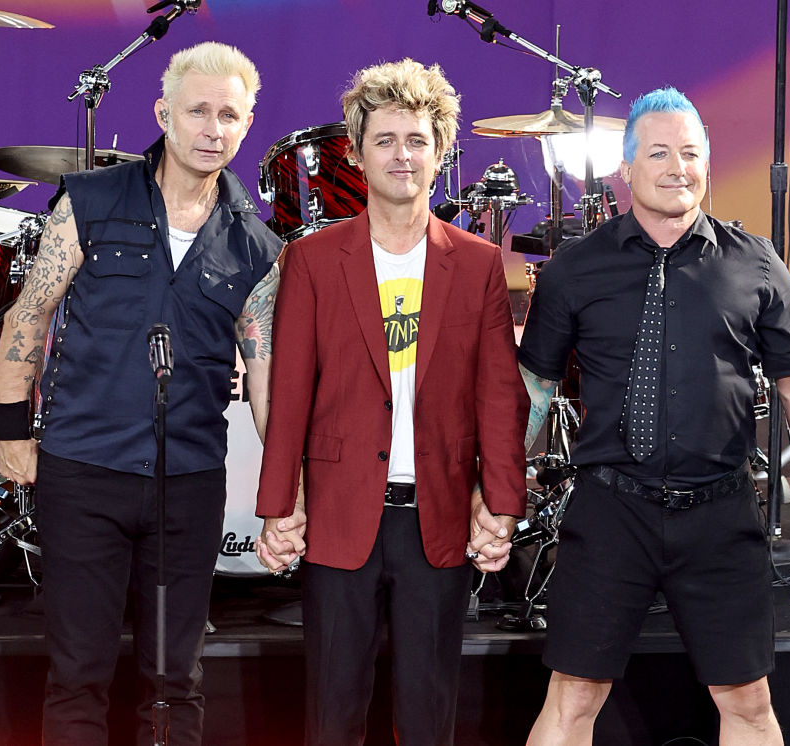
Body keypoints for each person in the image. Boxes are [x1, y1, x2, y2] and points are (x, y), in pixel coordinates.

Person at [518, 87, 790, 745]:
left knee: (748, 702)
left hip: (720, 513)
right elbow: (534, 392)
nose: (678, 168)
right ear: (626, 167)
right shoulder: (574, 269)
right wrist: (501, 491)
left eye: (691, 153)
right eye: (660, 153)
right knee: (572, 698)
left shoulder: (755, 262)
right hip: (610, 512)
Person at [0, 42, 282, 746]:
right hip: (83, 471)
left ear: (248, 125)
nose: (213, 129)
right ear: (163, 114)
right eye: (198, 111)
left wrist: (284, 485)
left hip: (188, 483)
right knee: (78, 673)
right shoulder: (90, 201)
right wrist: (12, 431)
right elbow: (29, 314)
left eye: (230, 116)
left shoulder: (257, 245)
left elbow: (263, 370)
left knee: (175, 679)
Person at [254, 58, 528, 746]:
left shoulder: (476, 263)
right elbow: (290, 392)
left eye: (416, 140)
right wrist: (280, 503)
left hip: (437, 517)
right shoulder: (313, 260)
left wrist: (500, 504)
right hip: (339, 513)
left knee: (430, 717)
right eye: (385, 140)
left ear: (440, 153)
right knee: (332, 715)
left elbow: (500, 396)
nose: (402, 155)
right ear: (357, 152)